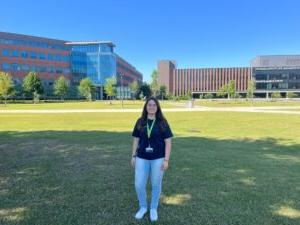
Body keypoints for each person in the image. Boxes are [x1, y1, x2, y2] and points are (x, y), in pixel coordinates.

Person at [131, 96, 173, 222]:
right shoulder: (140, 121)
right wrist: (133, 155)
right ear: (145, 107)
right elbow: (136, 139)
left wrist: (166, 160)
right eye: (149, 105)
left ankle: (153, 208)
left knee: (156, 184)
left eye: (154, 105)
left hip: (158, 159)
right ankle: (143, 207)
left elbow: (168, 142)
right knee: (139, 184)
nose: (151, 107)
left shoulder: (162, 122)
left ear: (157, 107)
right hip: (141, 158)